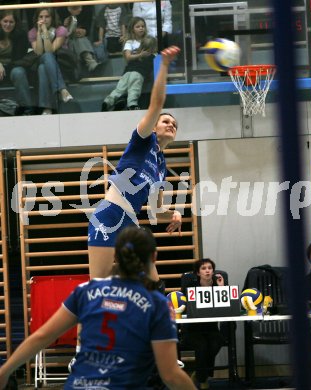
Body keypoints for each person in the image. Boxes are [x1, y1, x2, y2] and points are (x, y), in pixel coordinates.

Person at [0, 226, 196, 390]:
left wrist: (5, 370)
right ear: (154, 257)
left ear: (115, 256)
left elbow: (42, 336)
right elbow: (170, 375)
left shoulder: (86, 291)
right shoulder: (157, 304)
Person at [88, 45, 182, 282]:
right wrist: (164, 65)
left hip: (131, 223)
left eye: (174, 125)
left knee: (152, 282)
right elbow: (156, 104)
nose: (170, 124)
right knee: (98, 283)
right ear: (155, 126)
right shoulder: (143, 140)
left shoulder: (162, 165)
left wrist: (173, 215)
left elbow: (155, 211)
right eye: (166, 121)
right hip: (110, 215)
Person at [181, 259, 226, 390]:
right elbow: (183, 307)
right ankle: (204, 378)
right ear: (198, 273)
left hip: (211, 329)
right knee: (202, 345)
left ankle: (200, 375)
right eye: (203, 268)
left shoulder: (219, 286)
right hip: (192, 329)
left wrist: (221, 288)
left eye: (210, 268)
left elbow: (226, 308)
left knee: (215, 343)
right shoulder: (190, 287)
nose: (207, 271)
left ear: (213, 271)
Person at [101, 18, 157, 111]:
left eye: (143, 26)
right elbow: (128, 57)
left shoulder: (147, 41)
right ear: (132, 29)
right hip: (136, 72)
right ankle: (132, 104)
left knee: (120, 89)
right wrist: (140, 55)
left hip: (128, 71)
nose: (141, 28)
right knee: (134, 88)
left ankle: (108, 101)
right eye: (138, 26)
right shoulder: (131, 42)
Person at [28, 7, 73, 115]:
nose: (44, 19)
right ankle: (62, 90)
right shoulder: (32, 32)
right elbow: (39, 52)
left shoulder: (60, 29)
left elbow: (50, 50)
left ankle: (46, 108)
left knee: (44, 65)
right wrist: (39, 32)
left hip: (60, 64)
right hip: (42, 62)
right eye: (41, 17)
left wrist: (45, 31)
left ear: (52, 18)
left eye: (47, 16)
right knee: (43, 64)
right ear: (36, 18)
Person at [0, 10, 33, 115]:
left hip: (13, 67)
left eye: (11, 22)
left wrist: (4, 67)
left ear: (15, 23)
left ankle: (27, 110)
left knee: (18, 72)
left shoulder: (20, 35)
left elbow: (19, 59)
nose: (8, 24)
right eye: (5, 21)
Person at [59, 4, 99, 72]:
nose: (80, 9)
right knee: (76, 40)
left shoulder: (87, 8)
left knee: (80, 39)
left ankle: (88, 62)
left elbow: (88, 28)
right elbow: (60, 32)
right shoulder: (60, 10)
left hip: (81, 39)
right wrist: (65, 27)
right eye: (76, 8)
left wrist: (84, 31)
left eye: (80, 7)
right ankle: (90, 62)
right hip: (65, 42)